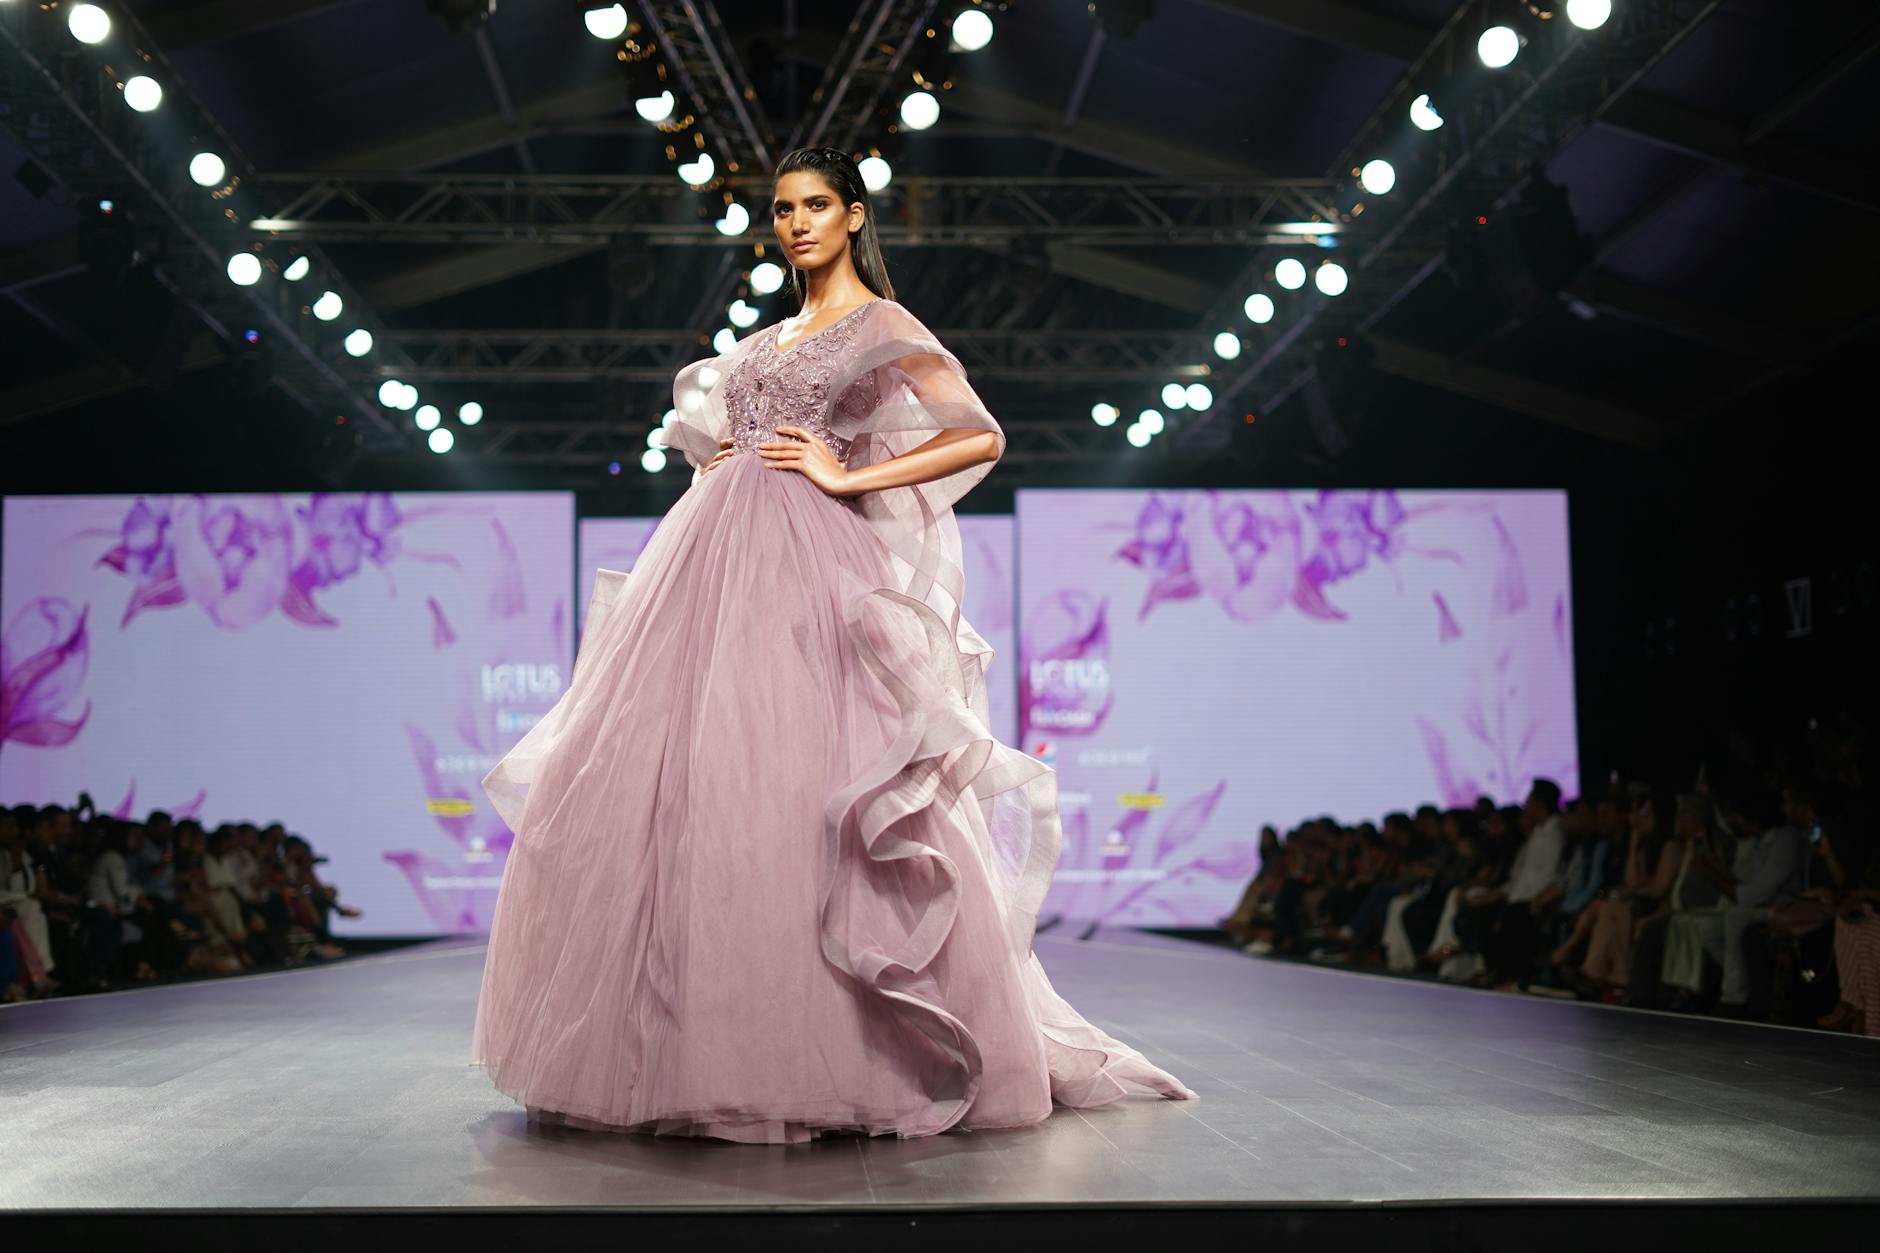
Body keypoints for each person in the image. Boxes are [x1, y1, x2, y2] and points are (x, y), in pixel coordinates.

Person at [469, 147, 1196, 1144]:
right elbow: (742, 428)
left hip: (812, 561)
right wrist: (723, 456)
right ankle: (686, 1049)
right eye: (780, 209)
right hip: (712, 559)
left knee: (822, 782)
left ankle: (849, 1054)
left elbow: (976, 433)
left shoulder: (882, 323)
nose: (795, 222)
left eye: (815, 205)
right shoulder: (764, 338)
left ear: (853, 216)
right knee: (703, 787)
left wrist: (844, 476)